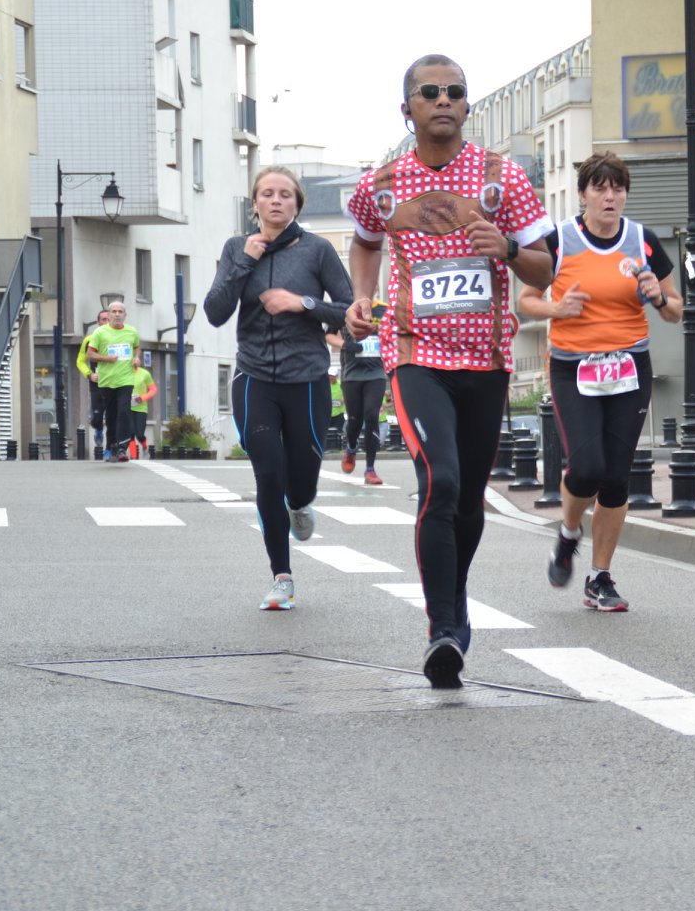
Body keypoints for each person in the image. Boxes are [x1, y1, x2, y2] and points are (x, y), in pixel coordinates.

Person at [343, 54, 555, 688]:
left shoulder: (501, 179)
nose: (443, 100)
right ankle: (441, 628)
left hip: (486, 360)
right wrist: (362, 295)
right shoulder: (380, 185)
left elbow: (547, 269)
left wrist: (511, 250)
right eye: (429, 92)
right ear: (406, 108)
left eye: (455, 93)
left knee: (467, 501)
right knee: (439, 480)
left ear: (467, 107)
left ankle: (455, 602)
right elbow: (363, 239)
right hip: (414, 354)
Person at [518, 151, 681, 612]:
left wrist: (657, 297)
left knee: (615, 478)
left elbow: (675, 307)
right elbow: (526, 301)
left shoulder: (642, 240)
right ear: (584, 193)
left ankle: (600, 577)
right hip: (575, 367)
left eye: (618, 188)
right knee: (586, 467)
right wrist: (556, 308)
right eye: (600, 188)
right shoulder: (560, 241)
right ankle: (569, 532)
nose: (610, 197)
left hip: (629, 367)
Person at [204, 165, 354, 611]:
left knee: (301, 477)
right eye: (266, 194)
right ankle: (281, 576)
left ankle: (302, 502)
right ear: (254, 203)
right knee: (267, 472)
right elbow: (214, 311)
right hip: (253, 377)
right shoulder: (236, 248)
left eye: (285, 194)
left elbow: (348, 310)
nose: (275, 200)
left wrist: (302, 303)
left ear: (296, 204)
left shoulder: (318, 250)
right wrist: (245, 262)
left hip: (306, 376)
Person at [329, 317, 389, 486]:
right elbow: (328, 335)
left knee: (371, 416)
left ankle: (370, 469)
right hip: (352, 375)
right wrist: (345, 345)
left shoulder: (382, 310)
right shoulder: (346, 310)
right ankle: (352, 447)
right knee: (354, 422)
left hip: (376, 374)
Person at [84, 302, 141, 463]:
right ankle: (112, 446)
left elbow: (137, 347)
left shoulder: (132, 331)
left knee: (124, 411)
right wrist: (106, 359)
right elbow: (90, 355)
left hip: (126, 379)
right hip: (107, 381)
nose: (117, 314)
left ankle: (123, 447)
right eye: (114, 311)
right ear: (108, 315)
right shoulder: (99, 333)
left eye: (120, 311)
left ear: (125, 315)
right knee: (110, 416)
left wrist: (136, 357)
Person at [76, 309, 110, 459]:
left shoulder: (119, 338)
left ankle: (111, 448)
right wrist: (89, 375)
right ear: (98, 322)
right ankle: (98, 429)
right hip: (96, 383)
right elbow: (80, 361)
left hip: (114, 383)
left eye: (108, 319)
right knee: (97, 417)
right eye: (103, 319)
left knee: (113, 417)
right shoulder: (89, 339)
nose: (106, 322)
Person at [128, 359, 157, 457]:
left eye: (137, 359)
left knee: (139, 434)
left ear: (139, 362)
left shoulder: (145, 374)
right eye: (133, 359)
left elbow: (153, 390)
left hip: (141, 409)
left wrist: (142, 398)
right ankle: (133, 456)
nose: (135, 361)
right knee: (130, 433)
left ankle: (144, 447)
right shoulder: (125, 373)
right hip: (128, 407)